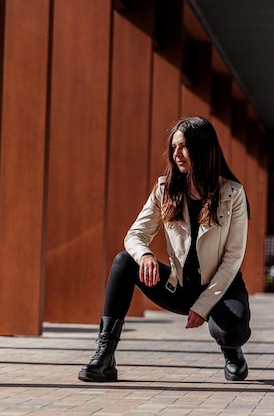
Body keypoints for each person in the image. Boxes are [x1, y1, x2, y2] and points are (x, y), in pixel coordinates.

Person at [78, 116, 252, 382]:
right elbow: (135, 235)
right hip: (180, 287)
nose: (177, 154)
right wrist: (145, 254)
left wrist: (203, 306)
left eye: (183, 147)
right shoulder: (166, 189)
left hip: (220, 289)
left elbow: (232, 259)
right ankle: (105, 355)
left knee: (231, 331)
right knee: (124, 262)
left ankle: (232, 352)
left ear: (202, 148)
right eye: (173, 147)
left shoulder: (232, 194)